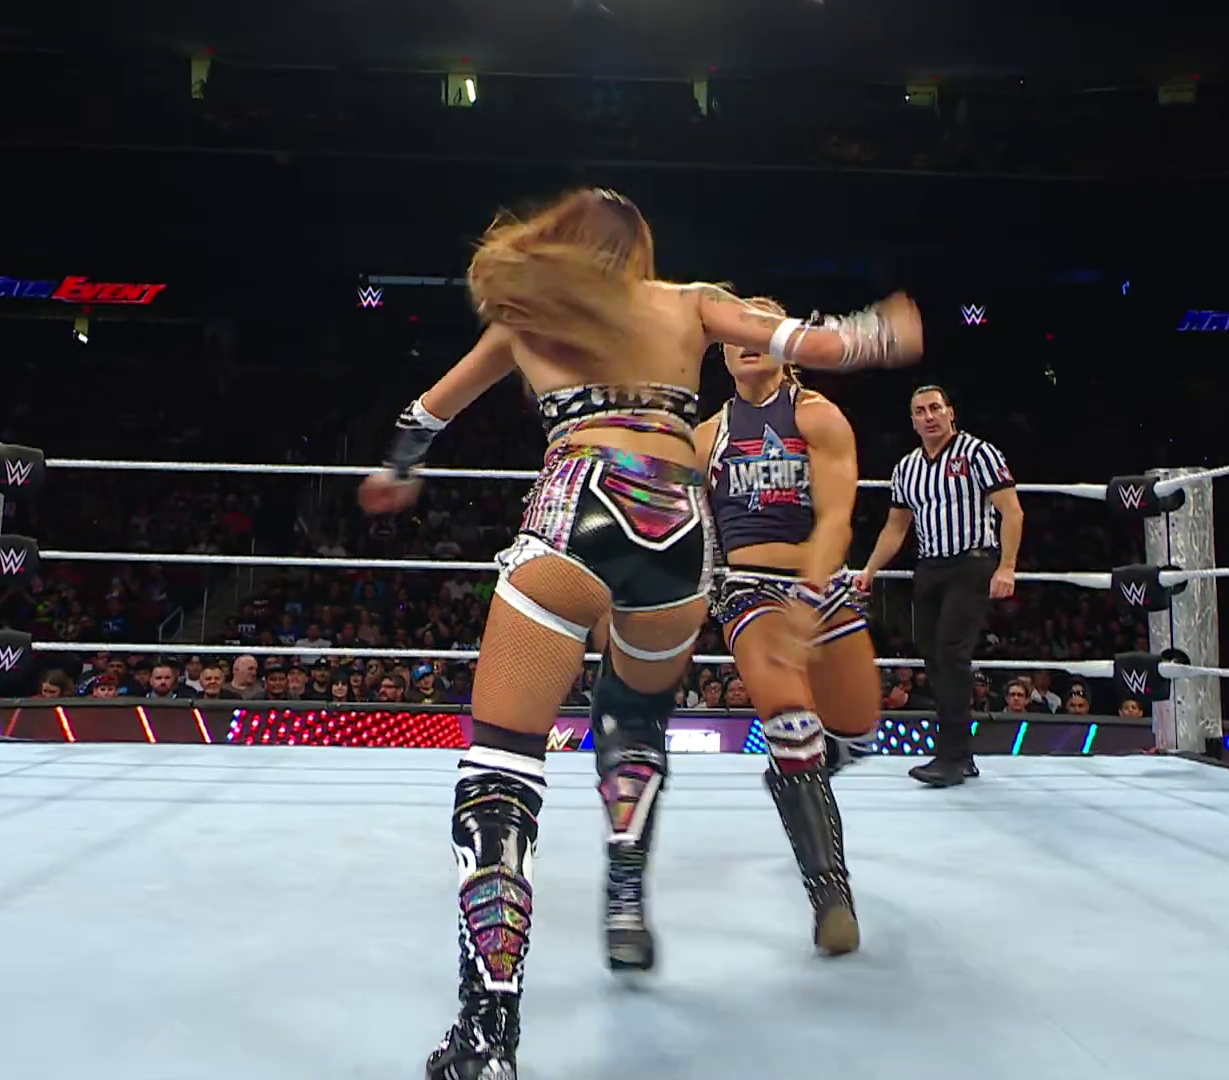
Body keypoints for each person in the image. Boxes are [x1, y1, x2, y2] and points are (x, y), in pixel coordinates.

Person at [357, 187, 923, 1080]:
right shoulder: (688, 301)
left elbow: (424, 416)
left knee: (501, 763)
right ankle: (626, 882)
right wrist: (881, 333)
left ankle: (487, 1034)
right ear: (641, 249)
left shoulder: (525, 316)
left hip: (577, 504)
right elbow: (818, 346)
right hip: (679, 531)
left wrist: (397, 473)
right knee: (633, 711)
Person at [695, 298, 884, 957]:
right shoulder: (707, 437)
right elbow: (691, 534)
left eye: (762, 327)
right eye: (736, 330)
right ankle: (831, 897)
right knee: (791, 722)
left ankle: (797, 776)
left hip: (822, 584)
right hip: (747, 589)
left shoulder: (817, 415)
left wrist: (810, 592)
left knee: (857, 732)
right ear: (722, 351)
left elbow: (836, 518)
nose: (749, 340)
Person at [855, 385, 1023, 788]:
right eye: (920, 411)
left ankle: (952, 757)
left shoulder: (978, 453)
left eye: (935, 408)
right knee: (933, 659)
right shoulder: (907, 467)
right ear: (912, 421)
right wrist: (870, 570)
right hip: (929, 567)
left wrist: (1007, 567)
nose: (928, 416)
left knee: (950, 653)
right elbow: (896, 527)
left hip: (972, 563)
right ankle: (959, 755)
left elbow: (1012, 511)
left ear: (950, 412)